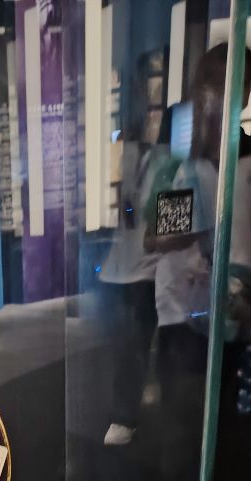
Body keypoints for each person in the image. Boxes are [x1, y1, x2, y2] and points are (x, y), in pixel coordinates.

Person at [148, 44, 251, 481]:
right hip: (182, 308)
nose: (221, 93)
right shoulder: (181, 156)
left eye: (235, 82)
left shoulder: (246, 159)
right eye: (212, 80)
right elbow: (156, 236)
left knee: (220, 408)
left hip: (232, 309)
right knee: (187, 407)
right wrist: (199, 229)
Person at [100, 55, 171, 446]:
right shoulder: (123, 148)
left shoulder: (169, 157)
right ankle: (126, 412)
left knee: (137, 344)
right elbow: (120, 206)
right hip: (122, 268)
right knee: (126, 346)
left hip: (149, 268)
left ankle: (128, 414)